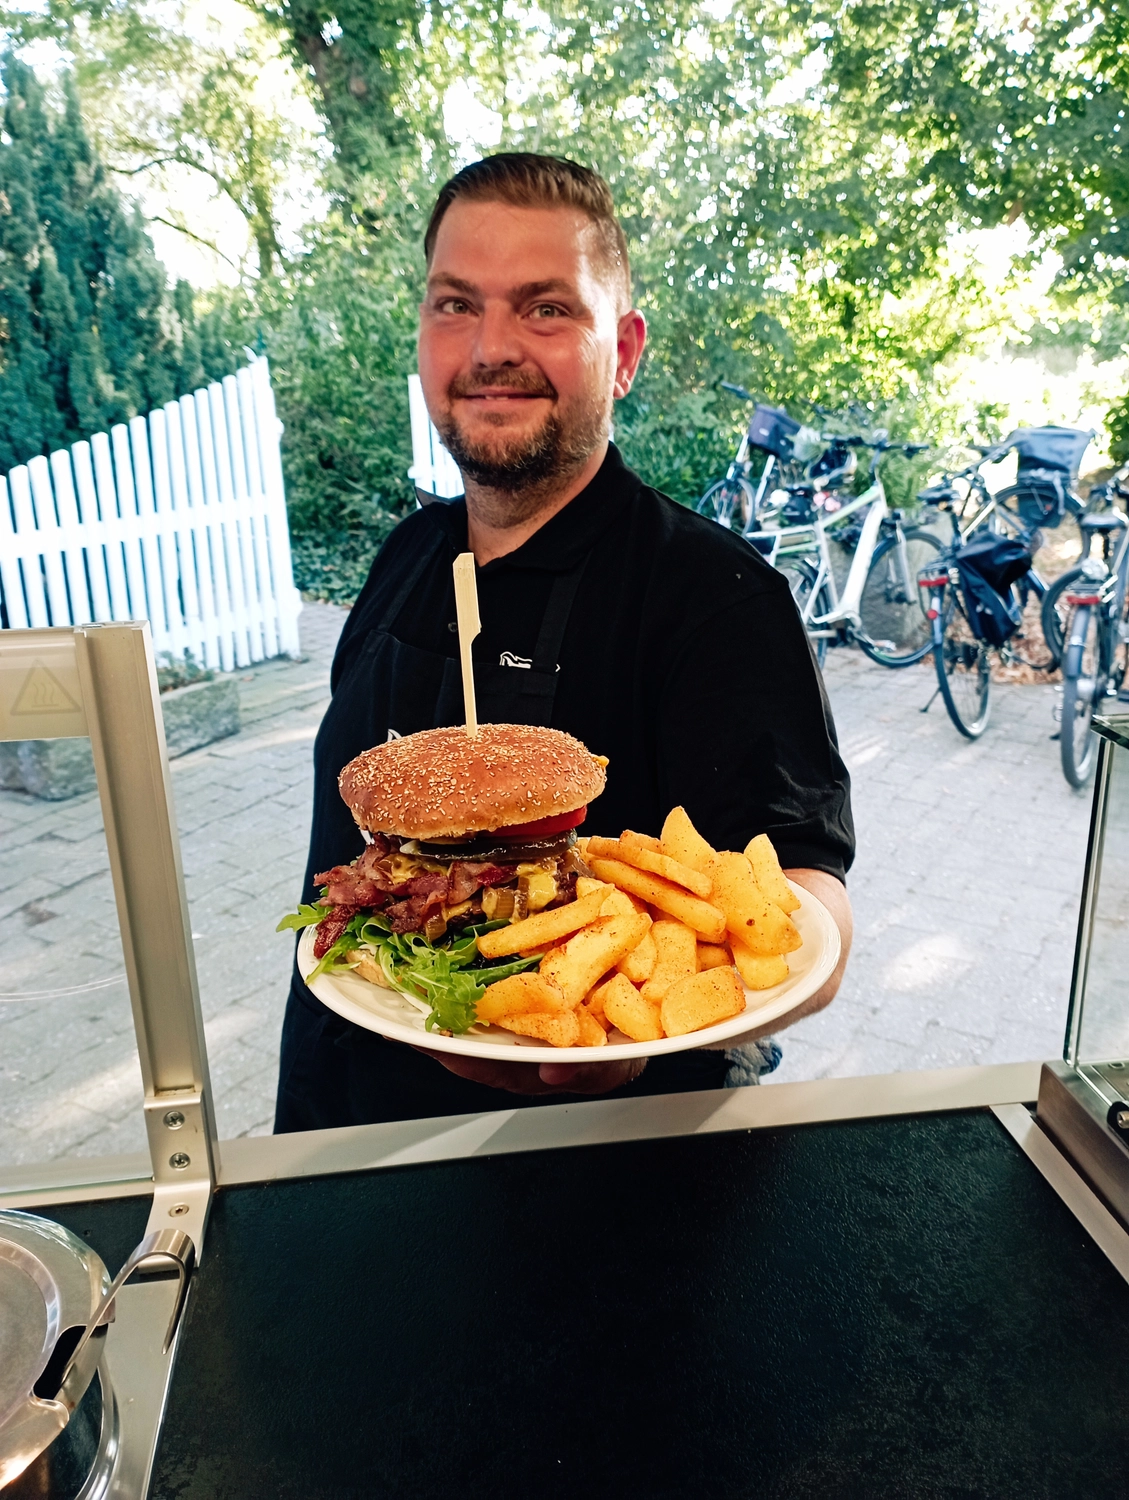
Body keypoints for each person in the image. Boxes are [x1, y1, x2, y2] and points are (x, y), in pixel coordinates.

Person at [274, 152, 854, 1133]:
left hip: (591, 1177)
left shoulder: (716, 596)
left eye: (546, 308)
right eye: (455, 304)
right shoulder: (409, 552)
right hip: (335, 1125)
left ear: (622, 352)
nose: (491, 346)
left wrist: (618, 1049)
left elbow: (810, 914)